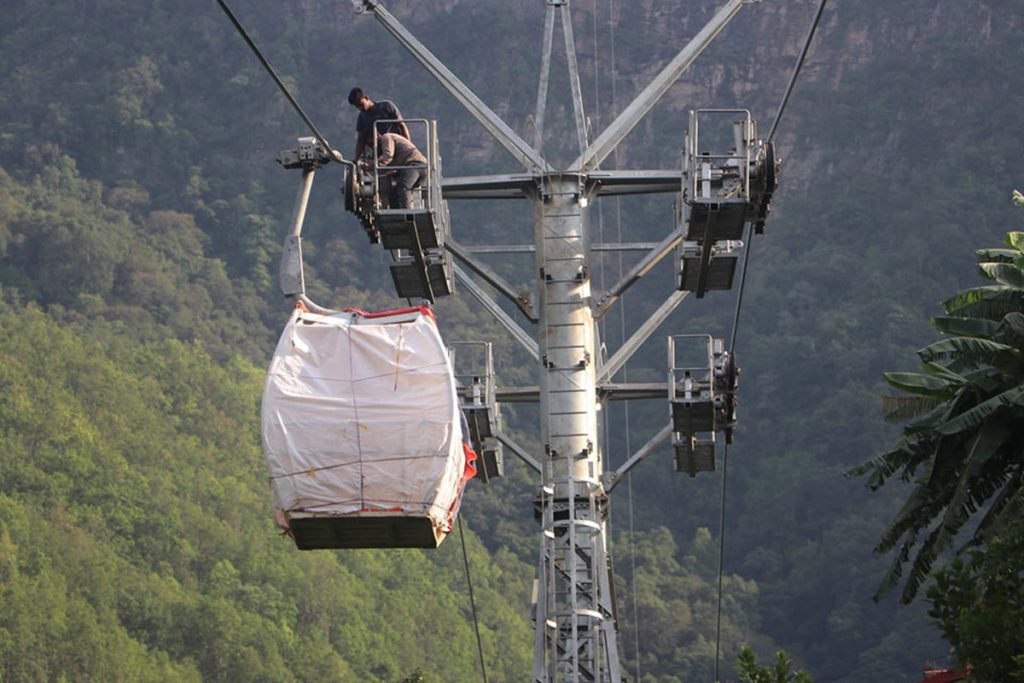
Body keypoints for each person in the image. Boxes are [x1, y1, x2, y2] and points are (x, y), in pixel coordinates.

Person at [365, 132, 427, 209]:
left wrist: (371, 166)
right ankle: (396, 214)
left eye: (372, 144)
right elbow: (401, 159)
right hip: (413, 167)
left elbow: (388, 156)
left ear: (377, 136)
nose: (373, 147)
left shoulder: (386, 137)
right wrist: (395, 173)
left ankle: (407, 214)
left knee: (403, 187)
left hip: (416, 164)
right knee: (393, 193)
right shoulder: (391, 145)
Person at [348, 87, 410, 162]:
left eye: (361, 104)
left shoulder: (386, 106)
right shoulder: (362, 117)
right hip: (380, 151)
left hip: (396, 145)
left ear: (366, 98)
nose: (360, 108)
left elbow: (402, 125)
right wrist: (356, 159)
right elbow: (361, 139)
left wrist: (408, 147)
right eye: (357, 106)